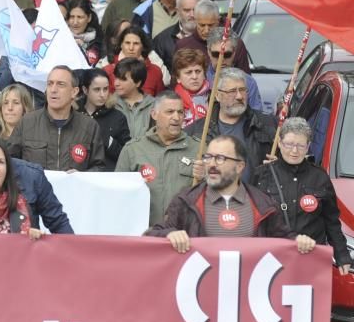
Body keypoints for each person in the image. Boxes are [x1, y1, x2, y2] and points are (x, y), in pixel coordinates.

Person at [146, 135, 314, 256]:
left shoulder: (264, 205)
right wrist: (169, 235)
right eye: (208, 157)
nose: (211, 164)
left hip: (247, 299)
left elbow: (284, 240)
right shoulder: (186, 201)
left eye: (220, 159)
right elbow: (151, 235)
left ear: (240, 166)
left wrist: (300, 241)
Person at [251, 117, 352, 275]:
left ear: (308, 147)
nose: (294, 151)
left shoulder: (320, 177)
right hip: (271, 261)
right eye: (289, 144)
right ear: (279, 143)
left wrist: (342, 255)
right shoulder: (262, 175)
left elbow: (331, 221)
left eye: (300, 145)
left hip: (311, 261)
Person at [116, 92, 203, 225]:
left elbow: (213, 193)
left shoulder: (198, 149)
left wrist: (206, 177)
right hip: (145, 233)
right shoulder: (133, 149)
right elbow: (118, 193)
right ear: (154, 114)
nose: (176, 117)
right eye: (169, 112)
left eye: (180, 112)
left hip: (184, 233)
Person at [8, 66, 106, 172]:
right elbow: (10, 163)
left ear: (74, 92)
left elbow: (99, 167)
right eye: (50, 84)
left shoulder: (89, 126)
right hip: (36, 188)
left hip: (74, 188)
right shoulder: (27, 122)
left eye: (61, 84)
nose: (53, 90)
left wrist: (81, 176)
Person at [185, 68, 274, 182]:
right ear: (217, 95)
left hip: (253, 197)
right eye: (232, 91)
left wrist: (278, 165)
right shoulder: (196, 132)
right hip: (213, 197)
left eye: (242, 90)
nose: (239, 96)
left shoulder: (267, 125)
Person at [173, 0, 252, 75]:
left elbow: (245, 78)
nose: (206, 30)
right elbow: (177, 78)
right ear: (195, 21)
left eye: (211, 25)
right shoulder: (183, 45)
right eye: (202, 25)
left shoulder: (235, 43)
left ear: (218, 20)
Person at [80, 69, 130, 172]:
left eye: (105, 89)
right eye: (97, 89)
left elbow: (127, 155)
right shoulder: (74, 114)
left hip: (106, 178)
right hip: (77, 176)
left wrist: (108, 141)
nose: (102, 94)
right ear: (85, 90)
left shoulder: (117, 117)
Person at [103, 25, 167, 97]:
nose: (131, 48)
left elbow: (160, 101)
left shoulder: (155, 71)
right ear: (121, 45)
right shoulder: (108, 71)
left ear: (143, 46)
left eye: (136, 43)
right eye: (127, 43)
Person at [152, 0, 200, 71]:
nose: (192, 15)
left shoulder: (210, 36)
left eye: (195, 10)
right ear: (178, 11)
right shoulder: (161, 40)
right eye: (187, 10)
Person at [111, 58, 156, 140]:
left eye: (123, 79)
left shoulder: (154, 105)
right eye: (116, 78)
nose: (116, 83)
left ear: (138, 83)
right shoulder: (109, 104)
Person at [171, 49, 210, 125]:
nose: (194, 77)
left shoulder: (215, 97)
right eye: (189, 72)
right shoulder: (171, 101)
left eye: (198, 71)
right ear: (178, 78)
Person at [65, 0, 103, 65]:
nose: (75, 22)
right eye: (72, 17)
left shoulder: (99, 40)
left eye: (80, 17)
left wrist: (83, 47)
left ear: (89, 18)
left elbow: (92, 64)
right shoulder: (60, 36)